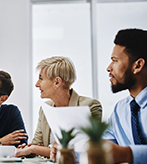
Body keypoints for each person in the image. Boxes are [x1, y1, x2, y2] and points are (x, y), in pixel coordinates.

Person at [15, 56, 102, 159]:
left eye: (41, 78)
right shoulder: (45, 109)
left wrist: (35, 149)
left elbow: (84, 151)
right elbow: (37, 144)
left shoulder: (90, 106)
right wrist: (28, 150)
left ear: (57, 82)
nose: (37, 84)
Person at [102, 28, 147, 164]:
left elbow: (121, 154)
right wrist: (68, 150)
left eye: (115, 61)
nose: (109, 68)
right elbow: (104, 147)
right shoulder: (120, 109)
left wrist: (128, 154)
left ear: (137, 65)